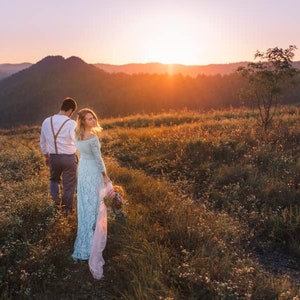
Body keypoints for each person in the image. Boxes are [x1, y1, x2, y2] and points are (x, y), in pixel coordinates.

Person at [72, 108, 109, 279]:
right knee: (94, 206)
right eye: (89, 119)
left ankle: (84, 247)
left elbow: (81, 154)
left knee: (85, 207)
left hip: (83, 170)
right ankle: (93, 245)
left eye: (93, 117)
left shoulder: (76, 135)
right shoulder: (93, 138)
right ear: (83, 121)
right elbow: (99, 159)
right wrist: (106, 177)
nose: (93, 120)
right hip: (92, 172)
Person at [40, 97, 78, 215]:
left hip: (54, 157)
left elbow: (43, 141)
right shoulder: (71, 123)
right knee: (69, 185)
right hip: (69, 158)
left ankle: (56, 206)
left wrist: (46, 156)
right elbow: (76, 140)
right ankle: (67, 210)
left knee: (54, 180)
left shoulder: (46, 121)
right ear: (70, 110)